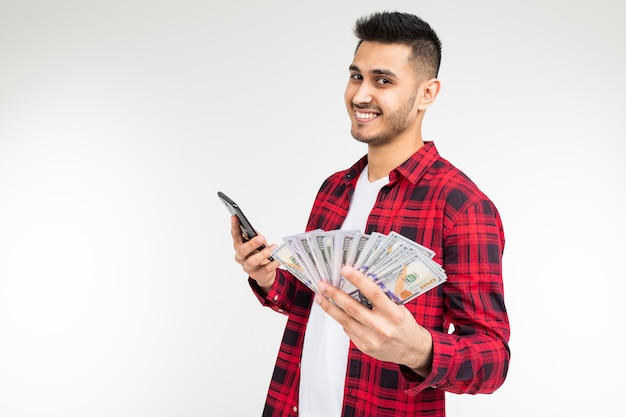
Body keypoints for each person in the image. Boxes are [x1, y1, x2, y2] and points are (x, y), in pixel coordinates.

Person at [229, 11, 510, 417]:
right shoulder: (334, 189)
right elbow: (316, 304)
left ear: (427, 94)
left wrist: (418, 348)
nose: (361, 95)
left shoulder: (462, 207)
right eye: (356, 76)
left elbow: (492, 358)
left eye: (383, 81)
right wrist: (269, 276)